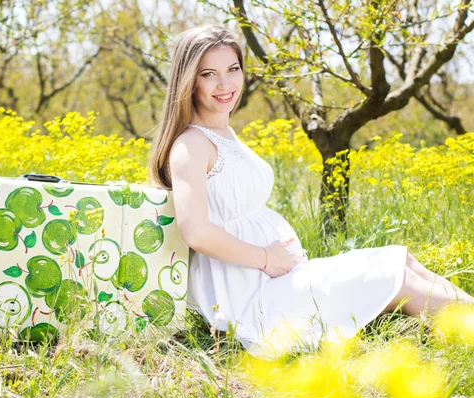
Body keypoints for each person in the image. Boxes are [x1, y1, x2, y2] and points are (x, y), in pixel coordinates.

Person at [148, 24, 474, 358]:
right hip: (251, 303)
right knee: (397, 279)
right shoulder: (191, 144)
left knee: (400, 259)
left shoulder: (225, 133)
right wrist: (265, 258)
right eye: (209, 74)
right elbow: (196, 232)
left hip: (275, 282)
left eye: (233, 69)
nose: (225, 84)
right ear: (189, 81)